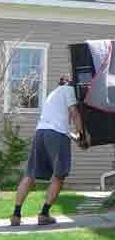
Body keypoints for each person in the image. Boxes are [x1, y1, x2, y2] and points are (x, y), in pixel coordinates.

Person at [10, 76, 89, 226]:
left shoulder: (52, 95)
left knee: (30, 175)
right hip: (56, 135)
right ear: (70, 83)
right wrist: (83, 136)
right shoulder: (68, 90)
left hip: (40, 133)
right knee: (59, 175)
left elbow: (59, 126)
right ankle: (44, 214)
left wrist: (74, 136)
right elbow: (75, 113)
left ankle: (16, 214)